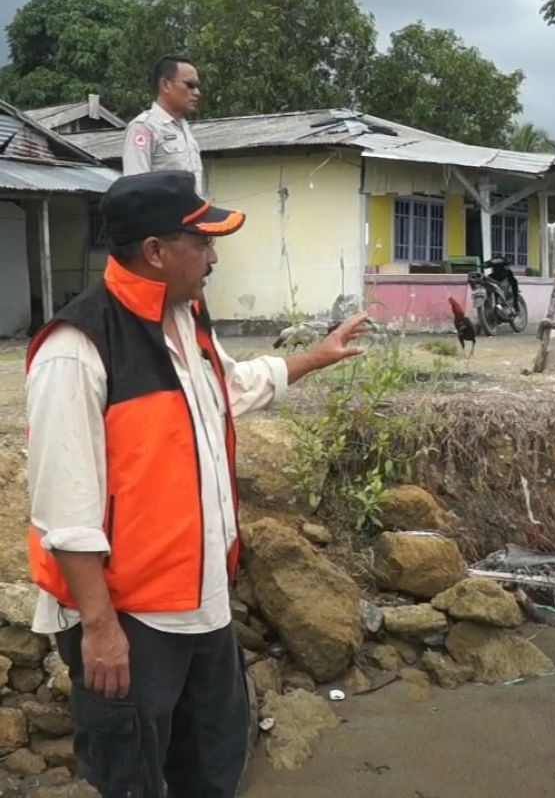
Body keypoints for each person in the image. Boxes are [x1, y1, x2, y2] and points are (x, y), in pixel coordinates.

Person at [24, 170, 368, 797]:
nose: (213, 257)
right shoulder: (76, 347)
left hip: (203, 603)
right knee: (131, 777)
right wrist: (99, 629)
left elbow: (229, 391)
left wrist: (316, 356)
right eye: (202, 242)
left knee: (210, 767)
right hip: (129, 621)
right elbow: (63, 512)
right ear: (155, 252)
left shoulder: (186, 319)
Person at [123, 55, 205, 195]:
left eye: (197, 87)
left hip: (193, 215)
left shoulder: (184, 128)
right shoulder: (144, 127)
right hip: (163, 216)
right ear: (165, 85)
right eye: (190, 85)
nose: (197, 93)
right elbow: (134, 188)